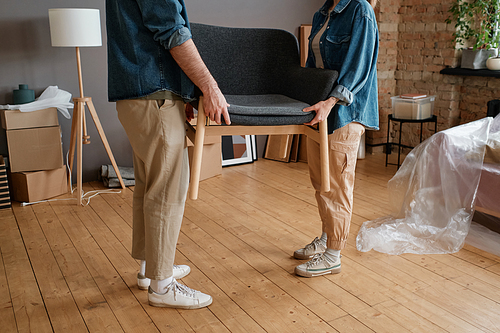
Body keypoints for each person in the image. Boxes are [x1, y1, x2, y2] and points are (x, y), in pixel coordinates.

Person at [106, 0, 230, 308]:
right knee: (168, 187)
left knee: (150, 185)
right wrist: (208, 87)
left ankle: (152, 268)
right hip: (153, 94)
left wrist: (183, 90)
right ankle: (162, 287)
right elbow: (172, 31)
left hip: (138, 93)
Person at [294, 0, 379, 277]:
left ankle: (333, 254)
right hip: (321, 110)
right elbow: (311, 66)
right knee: (321, 181)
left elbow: (359, 67)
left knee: (338, 185)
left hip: (344, 111)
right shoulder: (322, 13)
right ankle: (325, 238)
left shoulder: (360, 10)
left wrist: (331, 101)